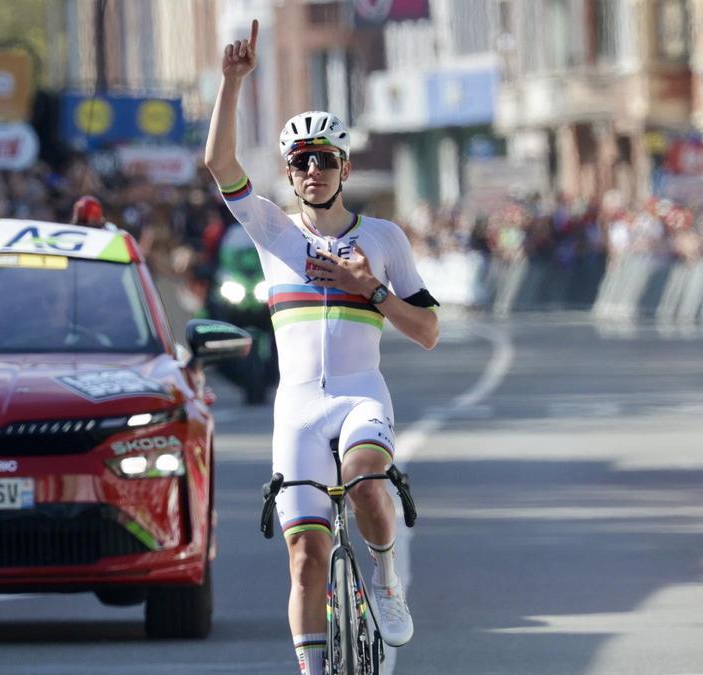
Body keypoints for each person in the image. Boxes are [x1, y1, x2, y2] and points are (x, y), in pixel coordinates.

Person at [204, 20, 439, 675]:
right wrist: (232, 82)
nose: (313, 170)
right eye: (302, 161)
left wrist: (372, 290)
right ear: (289, 172)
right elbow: (220, 166)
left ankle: (385, 577)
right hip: (298, 411)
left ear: (345, 168)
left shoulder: (384, 238)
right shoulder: (273, 232)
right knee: (305, 560)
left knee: (364, 482)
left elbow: (428, 331)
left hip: (361, 398)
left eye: (325, 159)